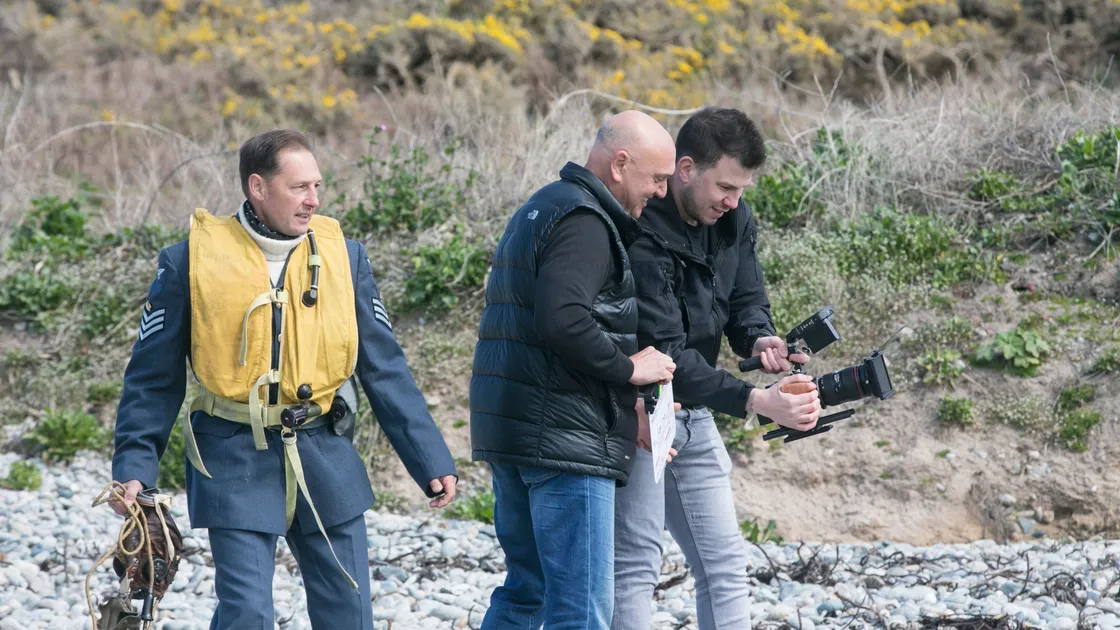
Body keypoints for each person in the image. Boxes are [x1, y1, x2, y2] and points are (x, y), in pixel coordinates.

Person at [109, 129, 459, 629]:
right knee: (246, 614)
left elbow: (384, 367)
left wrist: (429, 459)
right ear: (257, 187)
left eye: (317, 186)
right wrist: (134, 466)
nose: (313, 200)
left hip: (324, 455)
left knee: (349, 611)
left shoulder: (346, 257)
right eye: (299, 188)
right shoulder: (189, 261)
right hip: (232, 459)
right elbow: (151, 378)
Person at [612, 107, 823, 630]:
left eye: (742, 189)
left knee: (726, 562)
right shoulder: (641, 227)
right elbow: (664, 351)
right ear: (686, 169)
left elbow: (747, 297)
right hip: (639, 411)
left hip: (696, 409)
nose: (733, 200)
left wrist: (760, 339)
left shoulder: (734, 217)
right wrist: (755, 400)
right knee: (637, 564)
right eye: (725, 186)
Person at [469, 110, 680, 630]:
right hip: (566, 446)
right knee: (580, 610)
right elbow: (563, 320)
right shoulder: (587, 220)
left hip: (517, 431)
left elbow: (547, 333)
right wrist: (629, 370)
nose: (660, 192)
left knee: (527, 592)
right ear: (620, 163)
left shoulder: (542, 206)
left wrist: (628, 409)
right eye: (656, 178)